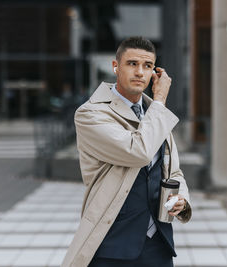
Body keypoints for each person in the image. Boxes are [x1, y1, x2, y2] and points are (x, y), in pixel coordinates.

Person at [61, 36, 192, 267]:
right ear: (115, 67)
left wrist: (182, 198)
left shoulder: (154, 112)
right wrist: (160, 100)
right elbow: (138, 152)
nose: (140, 72)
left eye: (147, 66)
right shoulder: (90, 114)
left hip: (158, 244)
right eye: (132, 64)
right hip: (112, 243)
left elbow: (173, 169)